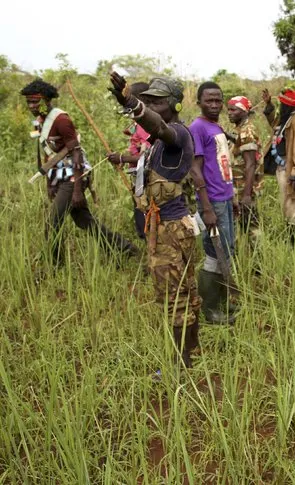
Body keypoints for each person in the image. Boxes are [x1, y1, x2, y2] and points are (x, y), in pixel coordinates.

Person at [108, 73, 201, 368]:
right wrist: (122, 156)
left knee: (174, 298)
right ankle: (192, 349)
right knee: (185, 291)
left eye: (157, 101)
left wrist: (132, 103)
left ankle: (179, 363)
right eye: (148, 100)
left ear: (174, 104)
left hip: (171, 230)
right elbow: (145, 157)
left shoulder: (176, 134)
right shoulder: (157, 142)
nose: (151, 106)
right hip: (165, 227)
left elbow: (158, 126)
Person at [21, 79, 138, 266]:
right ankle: (124, 248)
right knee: (84, 220)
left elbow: (76, 153)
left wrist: (77, 189)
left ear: (47, 100)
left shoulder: (61, 120)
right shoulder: (39, 121)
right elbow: (48, 155)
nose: (32, 106)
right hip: (59, 175)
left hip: (74, 175)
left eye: (36, 101)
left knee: (53, 223)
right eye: (29, 102)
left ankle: (55, 266)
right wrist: (50, 183)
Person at [189, 82, 236, 325]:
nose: (215, 105)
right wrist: (206, 208)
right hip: (213, 201)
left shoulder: (215, 125)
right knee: (215, 252)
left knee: (226, 250)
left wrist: (232, 196)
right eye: (209, 100)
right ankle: (209, 309)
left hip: (225, 197)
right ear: (199, 102)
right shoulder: (197, 128)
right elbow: (195, 170)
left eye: (218, 100)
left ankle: (219, 300)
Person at [262, 87, 295, 245]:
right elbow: (273, 123)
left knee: (294, 209)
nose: (280, 107)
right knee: (286, 206)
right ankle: (291, 243)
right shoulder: (285, 119)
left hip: (290, 171)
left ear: (288, 106)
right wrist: (268, 104)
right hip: (281, 168)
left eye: (282, 104)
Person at [107, 82, 151, 239]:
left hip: (147, 179)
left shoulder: (147, 125)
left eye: (128, 99)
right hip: (139, 178)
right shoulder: (138, 123)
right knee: (142, 222)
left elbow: (147, 156)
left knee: (147, 223)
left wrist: (122, 158)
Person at [227, 95, 263, 242]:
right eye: (228, 109)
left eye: (233, 110)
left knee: (251, 227)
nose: (229, 113)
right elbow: (240, 145)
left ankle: (257, 261)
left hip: (244, 188)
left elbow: (250, 164)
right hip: (239, 186)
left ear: (244, 112)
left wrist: (247, 195)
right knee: (244, 223)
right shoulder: (241, 129)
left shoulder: (247, 131)